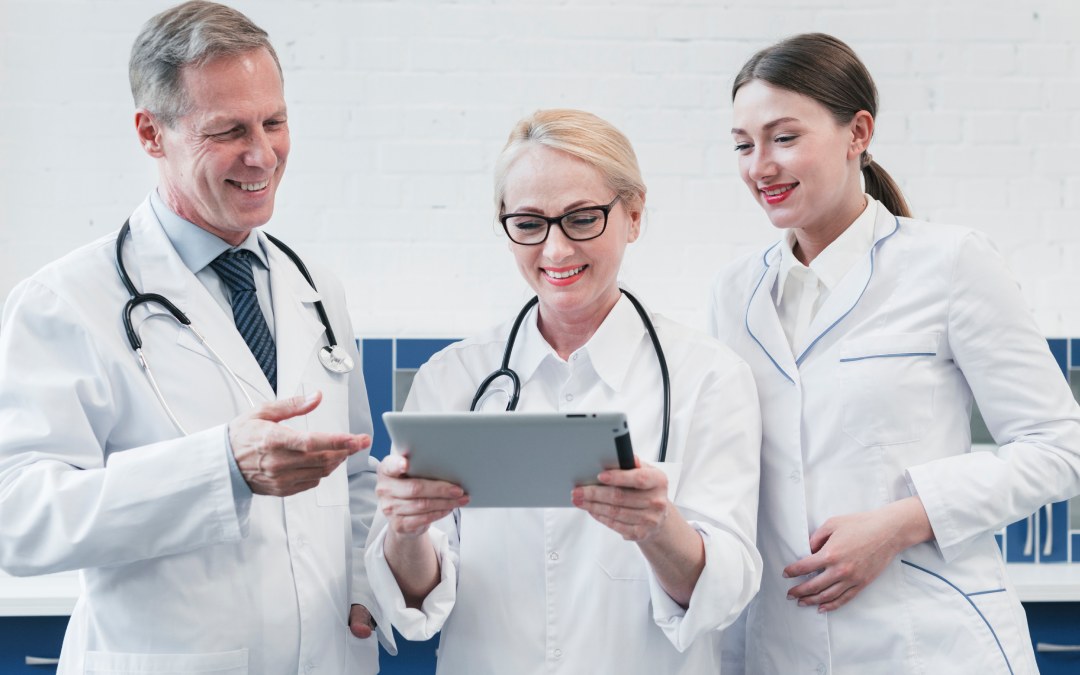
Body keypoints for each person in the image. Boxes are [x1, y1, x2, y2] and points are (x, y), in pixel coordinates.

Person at [0, 2, 380, 673]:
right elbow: (21, 517)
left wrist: (362, 580)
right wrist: (221, 467)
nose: (262, 154)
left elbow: (352, 474)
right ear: (151, 132)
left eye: (275, 121)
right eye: (228, 129)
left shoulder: (316, 288)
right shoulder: (65, 301)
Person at [710, 32, 1080, 675]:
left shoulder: (950, 262)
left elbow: (1059, 446)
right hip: (778, 647)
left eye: (784, 138)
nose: (760, 166)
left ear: (858, 132)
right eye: (744, 145)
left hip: (929, 645)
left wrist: (903, 521)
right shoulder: (736, 292)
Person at [363, 109, 763, 673]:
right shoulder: (451, 378)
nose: (554, 251)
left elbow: (725, 593)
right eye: (528, 224)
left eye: (581, 219)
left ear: (634, 214)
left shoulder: (709, 377)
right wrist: (406, 531)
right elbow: (416, 600)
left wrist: (658, 526)